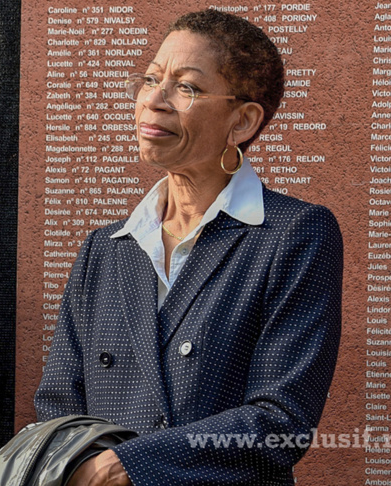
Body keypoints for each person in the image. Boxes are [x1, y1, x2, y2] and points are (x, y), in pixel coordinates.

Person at [34, 9, 342, 485]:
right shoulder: (106, 248)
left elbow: (281, 421)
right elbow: (59, 404)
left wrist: (131, 466)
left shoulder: (293, 234)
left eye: (186, 87)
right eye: (151, 79)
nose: (153, 101)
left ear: (241, 121)